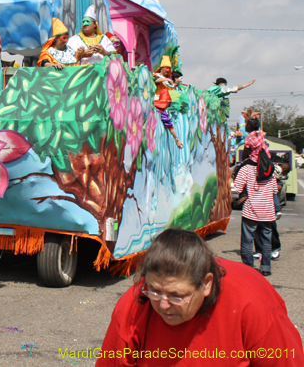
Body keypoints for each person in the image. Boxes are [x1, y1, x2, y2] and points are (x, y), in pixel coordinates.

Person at [96, 229, 304, 367]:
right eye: (155, 292)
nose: (163, 305)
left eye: (177, 296)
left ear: (206, 284)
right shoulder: (133, 305)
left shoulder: (251, 303)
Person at [234, 118, 276, 275]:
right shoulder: (269, 171)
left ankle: (248, 270)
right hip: (268, 212)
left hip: (251, 211)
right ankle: (266, 268)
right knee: (266, 241)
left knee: (247, 241)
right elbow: (274, 191)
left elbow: (237, 188)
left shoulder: (246, 169)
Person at [153, 56, 183, 149]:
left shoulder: (168, 81)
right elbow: (155, 80)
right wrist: (166, 79)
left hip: (165, 106)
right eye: (166, 68)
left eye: (169, 69)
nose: (167, 71)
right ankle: (177, 140)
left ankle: (177, 140)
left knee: (169, 122)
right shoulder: (157, 76)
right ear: (161, 68)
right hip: (157, 104)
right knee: (167, 121)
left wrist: (174, 84)